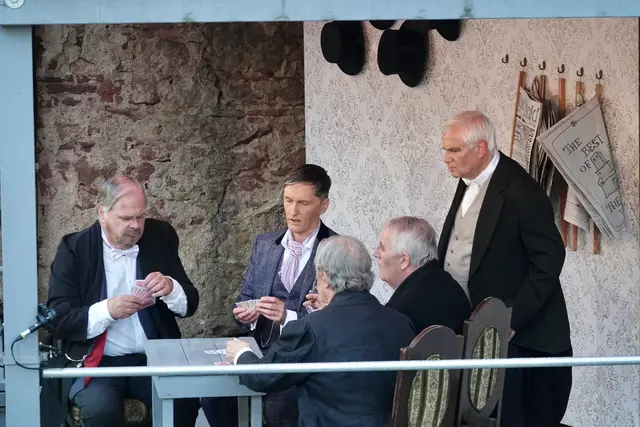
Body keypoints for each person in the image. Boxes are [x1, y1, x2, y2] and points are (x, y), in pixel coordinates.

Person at [438, 110, 572, 427]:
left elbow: (549, 259)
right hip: (476, 331)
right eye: (445, 149)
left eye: (454, 150)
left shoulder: (522, 192)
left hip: (522, 339)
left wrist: (513, 316)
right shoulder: (468, 180)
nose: (446, 158)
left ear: (481, 149)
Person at [44, 175, 200, 427]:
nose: (136, 225)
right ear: (102, 213)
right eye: (126, 218)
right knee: (100, 408)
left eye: (140, 216)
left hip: (153, 358)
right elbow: (58, 319)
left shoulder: (160, 236)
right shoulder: (74, 249)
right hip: (98, 362)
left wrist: (171, 288)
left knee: (183, 400)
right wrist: (107, 310)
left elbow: (190, 305)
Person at [226, 235, 415, 427]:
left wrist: (241, 354)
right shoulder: (401, 321)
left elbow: (263, 378)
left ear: (325, 279)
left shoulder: (310, 327)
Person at [201, 164, 337, 427]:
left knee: (278, 408)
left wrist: (288, 317)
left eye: (303, 203)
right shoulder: (264, 244)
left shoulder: (336, 250)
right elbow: (243, 300)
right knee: (213, 396)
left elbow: (336, 320)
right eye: (288, 200)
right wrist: (246, 315)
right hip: (258, 350)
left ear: (324, 205)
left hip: (304, 358)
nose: (293, 211)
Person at [373, 216, 471, 335]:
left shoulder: (400, 312)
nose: (375, 253)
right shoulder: (450, 284)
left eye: (382, 248)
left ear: (404, 260)